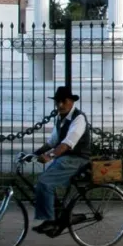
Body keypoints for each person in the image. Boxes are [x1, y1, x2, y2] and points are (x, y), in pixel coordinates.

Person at [31, 86, 92, 234]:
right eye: (58, 102)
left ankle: (50, 221)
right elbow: (52, 141)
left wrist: (50, 156)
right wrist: (33, 154)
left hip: (78, 159)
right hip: (65, 159)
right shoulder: (60, 118)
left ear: (71, 101)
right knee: (45, 182)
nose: (60, 105)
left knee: (45, 182)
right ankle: (62, 216)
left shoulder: (78, 118)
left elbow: (67, 144)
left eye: (64, 101)